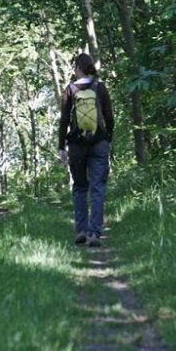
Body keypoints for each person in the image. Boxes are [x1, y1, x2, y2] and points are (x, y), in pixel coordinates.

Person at [58, 53, 114, 247]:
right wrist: (108, 139)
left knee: (80, 187)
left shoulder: (70, 90)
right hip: (99, 143)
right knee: (98, 188)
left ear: (78, 68)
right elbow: (109, 117)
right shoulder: (100, 87)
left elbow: (64, 120)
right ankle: (94, 234)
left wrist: (61, 147)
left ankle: (81, 230)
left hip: (76, 146)